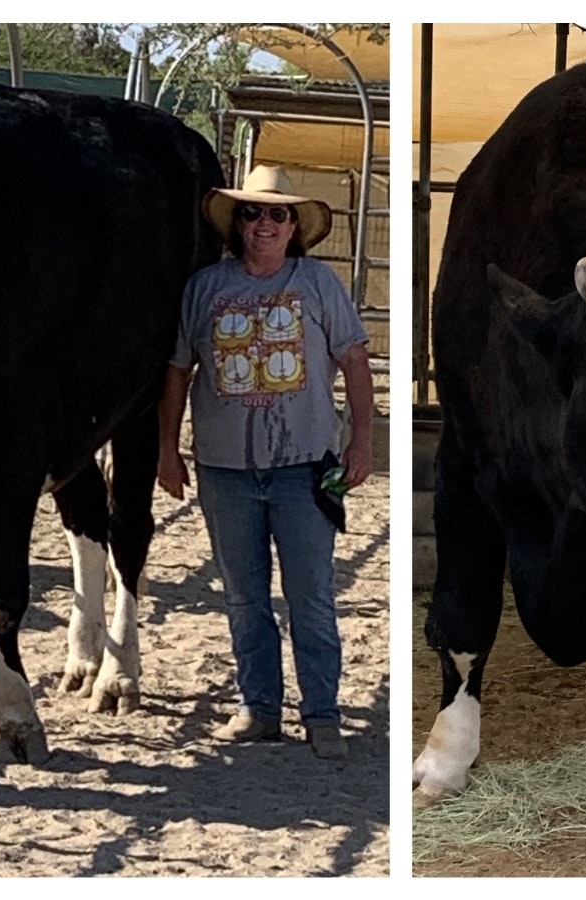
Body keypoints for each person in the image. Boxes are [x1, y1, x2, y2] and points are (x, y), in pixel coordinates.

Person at [157, 165, 374, 760]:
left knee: (312, 594)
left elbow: (355, 360)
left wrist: (361, 440)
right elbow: (178, 371)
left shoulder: (319, 284)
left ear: (294, 224)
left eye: (277, 213)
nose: (264, 223)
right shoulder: (204, 287)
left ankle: (322, 713)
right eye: (252, 213)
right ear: (237, 223)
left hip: (303, 466)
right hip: (224, 468)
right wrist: (167, 448)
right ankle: (259, 707)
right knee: (243, 595)